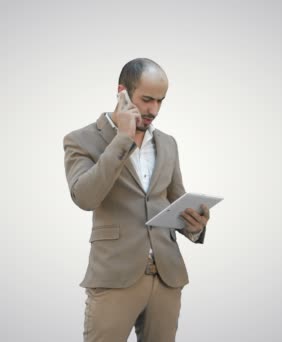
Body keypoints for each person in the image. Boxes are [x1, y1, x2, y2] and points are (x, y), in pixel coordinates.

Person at [63, 58, 210, 342]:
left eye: (160, 101)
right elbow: (85, 197)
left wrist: (195, 224)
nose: (154, 110)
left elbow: (174, 201)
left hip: (167, 277)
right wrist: (123, 138)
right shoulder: (81, 140)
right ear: (123, 92)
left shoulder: (167, 143)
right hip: (114, 276)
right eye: (146, 99)